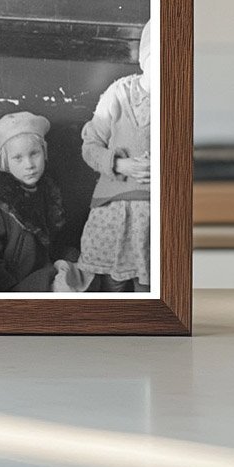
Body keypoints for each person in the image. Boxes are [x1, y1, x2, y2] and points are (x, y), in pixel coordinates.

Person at [0, 111, 92, 292]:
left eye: (34, 154)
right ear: (5, 161)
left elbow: (52, 245)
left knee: (91, 272)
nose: (29, 164)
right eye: (18, 158)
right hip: (14, 285)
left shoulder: (46, 191)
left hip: (45, 273)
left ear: (44, 153)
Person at [79, 21, 152, 292]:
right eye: (157, 55)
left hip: (156, 212)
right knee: (114, 284)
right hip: (114, 208)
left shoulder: (179, 95)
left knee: (151, 288)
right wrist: (121, 164)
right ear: (144, 59)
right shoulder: (119, 93)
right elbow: (90, 146)